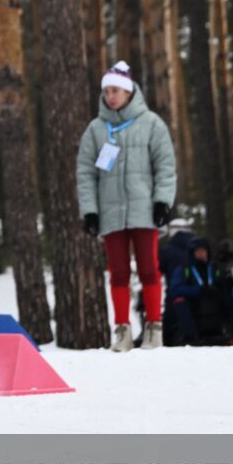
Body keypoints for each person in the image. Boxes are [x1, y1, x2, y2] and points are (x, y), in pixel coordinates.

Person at [76, 61, 178, 352]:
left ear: (129, 92)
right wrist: (90, 210)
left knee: (149, 268)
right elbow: (85, 173)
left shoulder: (151, 124)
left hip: (144, 209)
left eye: (116, 91)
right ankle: (122, 330)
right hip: (111, 212)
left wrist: (162, 201)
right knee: (118, 271)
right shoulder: (96, 130)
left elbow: (165, 166)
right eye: (107, 91)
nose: (111, 96)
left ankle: (154, 329)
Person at [165, 238, 233, 345]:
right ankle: (190, 338)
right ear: (192, 253)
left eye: (204, 251)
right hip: (194, 306)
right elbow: (175, 289)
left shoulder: (214, 268)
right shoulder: (184, 269)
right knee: (180, 302)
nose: (202, 254)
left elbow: (225, 291)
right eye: (198, 251)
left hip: (215, 305)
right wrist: (198, 290)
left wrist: (227, 283)